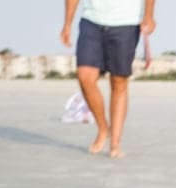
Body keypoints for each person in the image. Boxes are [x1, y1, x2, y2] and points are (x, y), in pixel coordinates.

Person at [60, 0, 156, 158]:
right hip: (91, 20)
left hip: (127, 22)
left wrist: (149, 15)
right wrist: (67, 23)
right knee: (85, 76)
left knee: (119, 82)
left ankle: (115, 144)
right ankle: (103, 128)